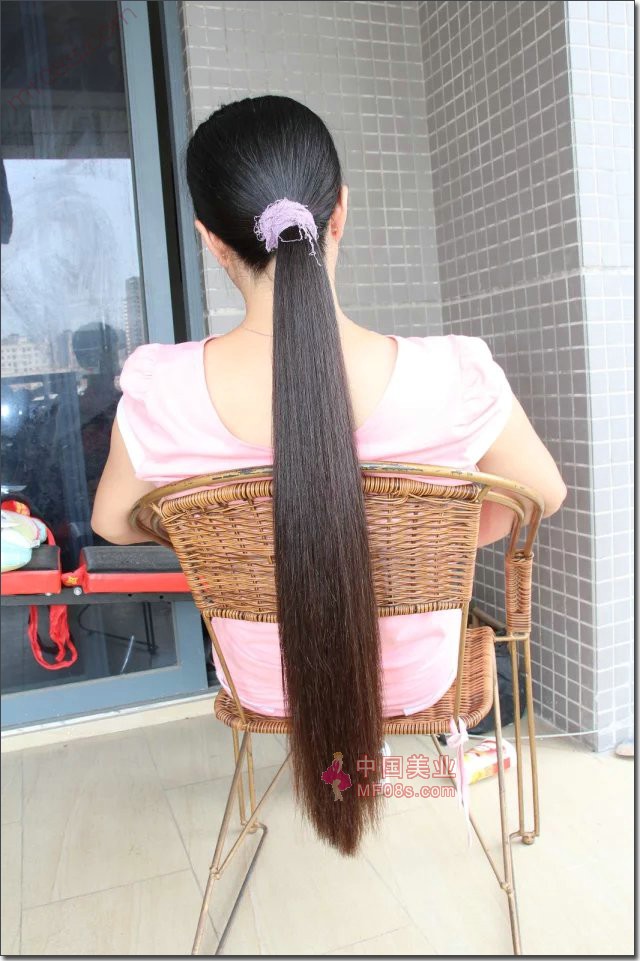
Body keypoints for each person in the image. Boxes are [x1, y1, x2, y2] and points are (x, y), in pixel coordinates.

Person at [92, 95, 566, 856]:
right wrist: (432, 545)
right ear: (340, 210)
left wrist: (229, 543)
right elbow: (543, 494)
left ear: (210, 240)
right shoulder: (453, 374)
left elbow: (113, 523)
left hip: (262, 683)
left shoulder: (158, 391)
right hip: (419, 678)